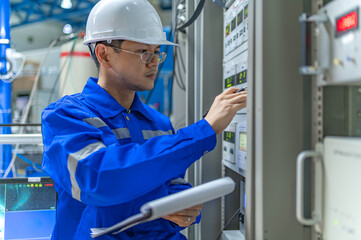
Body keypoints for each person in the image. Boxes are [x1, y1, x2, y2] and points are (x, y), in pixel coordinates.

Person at [41, 0, 247, 239]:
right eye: (143, 52)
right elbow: (101, 179)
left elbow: (170, 182)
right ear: (104, 55)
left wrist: (183, 206)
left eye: (157, 52)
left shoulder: (158, 123)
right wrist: (203, 130)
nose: (154, 62)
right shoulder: (65, 117)